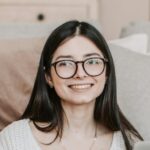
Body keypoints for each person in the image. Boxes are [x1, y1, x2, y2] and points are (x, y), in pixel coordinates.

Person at [0, 20, 143, 150]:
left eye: (92, 61)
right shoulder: (14, 139)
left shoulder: (129, 143)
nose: (80, 74)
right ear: (48, 77)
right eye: (65, 63)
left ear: (106, 72)